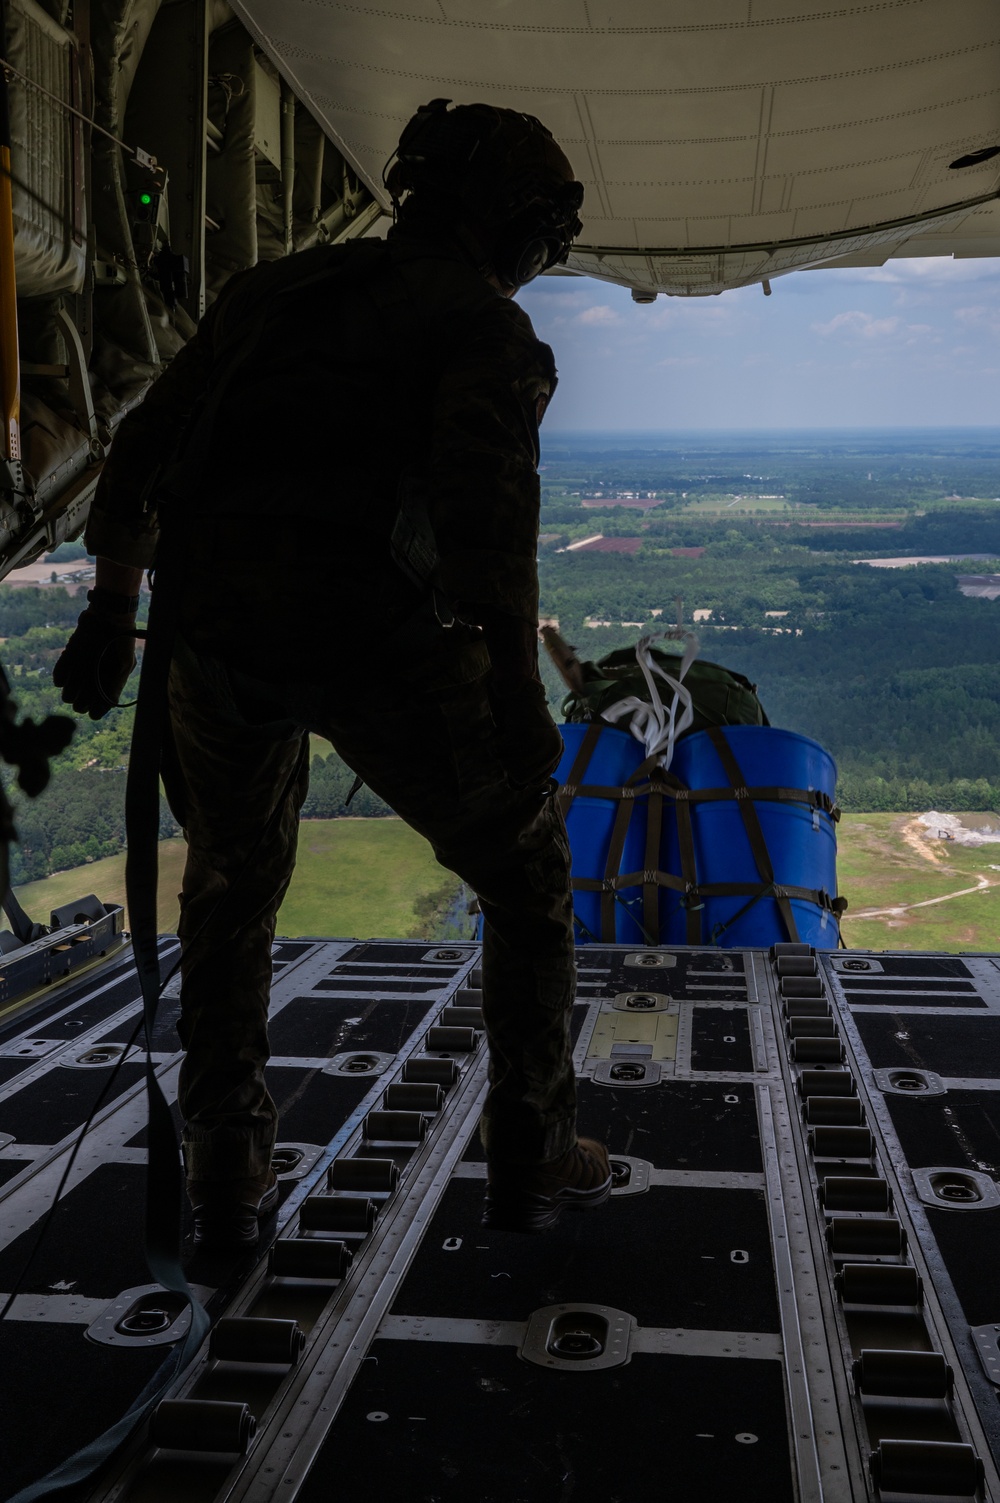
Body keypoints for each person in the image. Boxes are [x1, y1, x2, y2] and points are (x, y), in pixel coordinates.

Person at [53, 99, 611, 1247]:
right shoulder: (482, 331)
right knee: (526, 878)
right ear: (503, 219)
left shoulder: (275, 294)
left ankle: (225, 1165)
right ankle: (533, 1150)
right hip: (382, 645)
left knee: (226, 891)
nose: (545, 257)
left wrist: (113, 609)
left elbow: (145, 446)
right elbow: (488, 532)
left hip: (213, 636)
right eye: (544, 230)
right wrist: (516, 695)